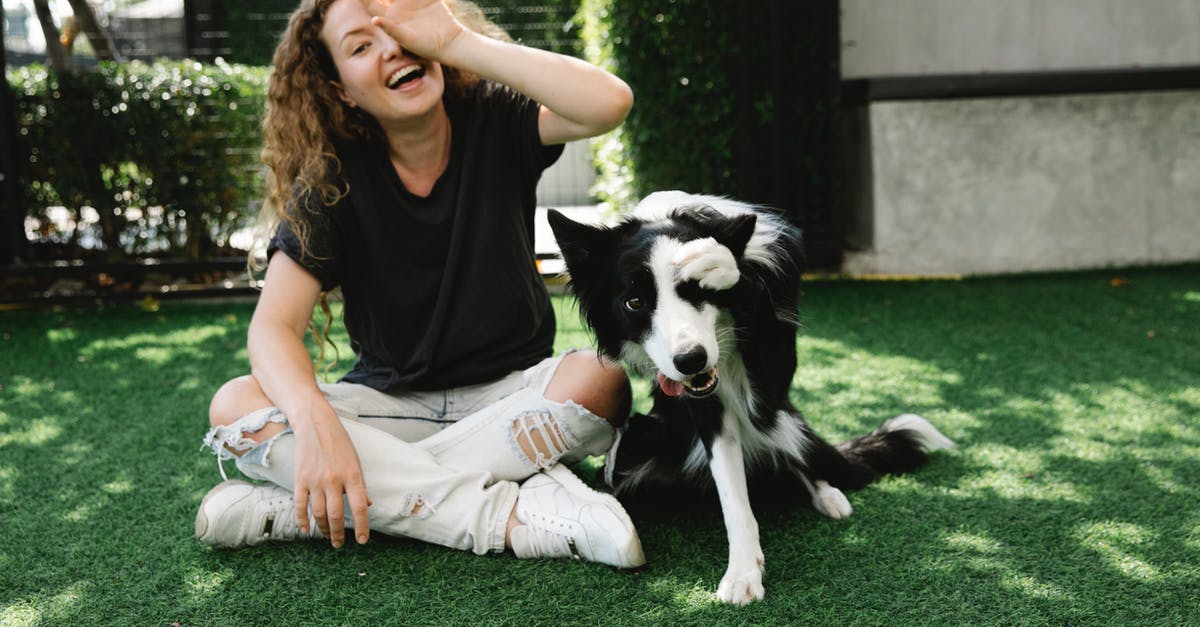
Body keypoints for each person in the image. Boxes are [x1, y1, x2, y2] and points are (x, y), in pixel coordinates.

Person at [194, 0, 643, 568]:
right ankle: (507, 518)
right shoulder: (331, 179)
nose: (392, 49)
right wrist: (316, 424)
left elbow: (610, 103)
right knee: (236, 405)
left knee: (599, 380)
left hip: (512, 395)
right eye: (361, 46)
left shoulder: (494, 117)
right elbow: (274, 328)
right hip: (389, 406)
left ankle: (311, 508)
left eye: (400, 32)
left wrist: (457, 43)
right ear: (342, 92)